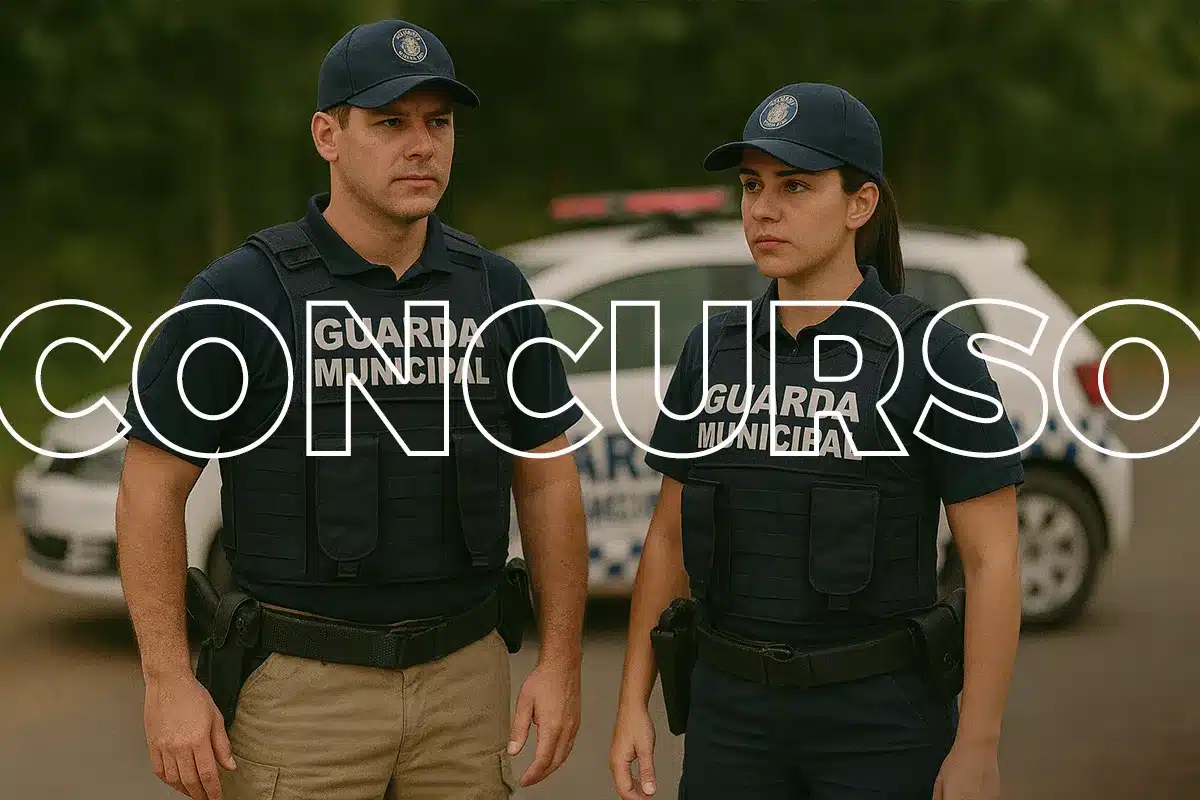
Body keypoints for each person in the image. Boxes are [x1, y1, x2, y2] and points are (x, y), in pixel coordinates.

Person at [115, 19, 588, 800]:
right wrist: (166, 681)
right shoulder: (243, 294)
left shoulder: (495, 290)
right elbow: (149, 490)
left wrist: (561, 661)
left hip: (465, 688)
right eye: (390, 123)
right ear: (327, 135)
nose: (422, 145)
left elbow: (547, 480)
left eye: (439, 123)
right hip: (303, 698)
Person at [610, 82, 1023, 799]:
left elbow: (992, 561)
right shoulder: (713, 350)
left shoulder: (933, 356)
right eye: (751, 185)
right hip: (730, 722)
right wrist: (630, 709)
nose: (763, 209)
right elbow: (668, 542)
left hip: (879, 724)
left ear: (859, 205)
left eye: (795, 186)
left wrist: (978, 745)